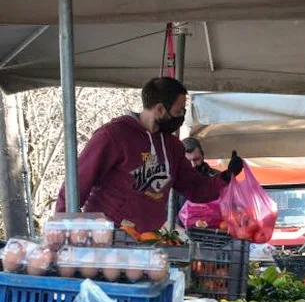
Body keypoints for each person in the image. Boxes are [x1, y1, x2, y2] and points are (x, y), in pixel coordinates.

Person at [56, 77, 243, 233]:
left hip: (147, 240)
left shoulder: (173, 147)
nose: (181, 118)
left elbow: (195, 188)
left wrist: (226, 176)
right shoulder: (114, 135)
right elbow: (79, 181)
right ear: (160, 109)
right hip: (107, 237)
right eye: (178, 112)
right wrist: (63, 228)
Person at [173, 138, 222, 226]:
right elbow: (168, 214)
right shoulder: (174, 181)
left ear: (203, 156)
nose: (193, 165)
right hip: (182, 234)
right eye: (188, 161)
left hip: (214, 232)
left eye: (196, 159)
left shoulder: (217, 177)